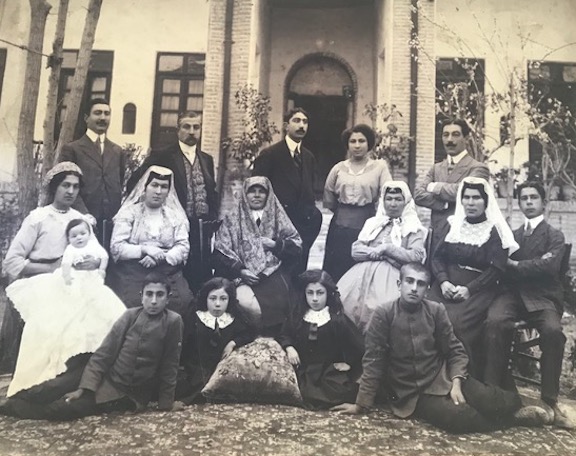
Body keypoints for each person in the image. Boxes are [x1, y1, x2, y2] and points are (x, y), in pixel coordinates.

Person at [332, 263, 548, 433]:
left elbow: (455, 350)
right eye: (409, 281)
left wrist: (456, 383)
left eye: (420, 283)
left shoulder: (435, 310)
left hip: (442, 376)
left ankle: (518, 407)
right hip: (413, 392)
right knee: (458, 418)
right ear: (399, 285)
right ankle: (511, 421)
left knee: (489, 400)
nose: (414, 288)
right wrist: (361, 405)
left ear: (427, 289)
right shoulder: (384, 314)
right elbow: (373, 361)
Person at [0, 273, 184, 420]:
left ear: (167, 299)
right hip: (100, 371)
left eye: (159, 295)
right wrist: (85, 387)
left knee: (64, 408)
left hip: (122, 391)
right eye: (149, 294)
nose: (153, 301)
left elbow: (170, 364)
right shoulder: (130, 316)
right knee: (51, 387)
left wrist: (166, 403)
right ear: (141, 297)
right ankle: (14, 399)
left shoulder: (173, 322)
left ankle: (14, 408)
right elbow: (104, 354)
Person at [484, 181, 574, 428]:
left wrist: (517, 266)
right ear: (520, 203)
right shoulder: (511, 235)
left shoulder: (554, 235)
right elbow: (503, 266)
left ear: (544, 203)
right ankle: (493, 393)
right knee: (495, 322)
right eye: (524, 198)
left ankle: (549, 399)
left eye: (534, 198)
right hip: (512, 295)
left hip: (543, 297)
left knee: (553, 332)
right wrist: (529, 265)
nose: (529, 202)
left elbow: (550, 267)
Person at [5, 218, 126, 398]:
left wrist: (100, 268)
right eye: (74, 236)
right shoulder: (62, 242)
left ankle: (99, 373)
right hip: (72, 282)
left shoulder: (91, 240)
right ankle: (57, 375)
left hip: (93, 281)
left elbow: (103, 257)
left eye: (82, 234)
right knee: (58, 322)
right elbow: (65, 266)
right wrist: (67, 275)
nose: (79, 238)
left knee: (106, 314)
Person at [0, 162, 97, 373]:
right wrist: (51, 268)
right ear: (54, 188)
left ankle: (66, 382)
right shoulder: (38, 218)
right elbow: (12, 261)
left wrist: (93, 262)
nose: (70, 191)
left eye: (75, 186)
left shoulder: (79, 221)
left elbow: (93, 255)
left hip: (73, 283)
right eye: (65, 185)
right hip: (40, 282)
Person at [428, 177, 519, 377]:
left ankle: (457, 377)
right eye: (466, 197)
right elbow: (437, 257)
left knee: (456, 322)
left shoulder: (495, 230)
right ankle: (426, 374)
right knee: (426, 315)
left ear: (486, 202)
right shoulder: (453, 225)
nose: (470, 202)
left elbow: (497, 269)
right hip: (447, 283)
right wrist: (443, 281)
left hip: (478, 288)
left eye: (476, 198)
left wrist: (470, 289)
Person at [127, 111, 219, 292]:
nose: (192, 131)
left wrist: (213, 218)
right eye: (186, 127)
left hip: (202, 229)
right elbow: (136, 183)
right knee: (176, 276)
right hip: (174, 228)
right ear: (178, 130)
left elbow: (211, 192)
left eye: (196, 127)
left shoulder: (207, 159)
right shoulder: (163, 155)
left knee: (201, 275)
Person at [213, 176, 302, 335]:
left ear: (268, 195)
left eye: (261, 192)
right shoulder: (232, 218)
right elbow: (221, 249)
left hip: (272, 271)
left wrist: (275, 245)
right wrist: (240, 270)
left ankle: (274, 339)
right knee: (243, 303)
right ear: (244, 194)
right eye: (251, 191)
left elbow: (296, 245)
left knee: (280, 301)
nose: (256, 195)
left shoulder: (278, 217)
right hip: (241, 275)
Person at [338, 181, 427, 333]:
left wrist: (387, 249)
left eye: (398, 199)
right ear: (383, 201)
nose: (393, 204)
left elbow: (416, 256)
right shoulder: (373, 223)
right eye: (389, 199)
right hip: (360, 275)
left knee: (381, 308)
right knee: (344, 301)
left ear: (405, 202)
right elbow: (356, 250)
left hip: (393, 276)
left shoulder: (413, 227)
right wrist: (380, 254)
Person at [108, 165, 193, 317]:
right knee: (133, 301)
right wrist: (145, 250)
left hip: (167, 270)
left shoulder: (175, 216)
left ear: (169, 191)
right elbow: (117, 247)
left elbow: (183, 246)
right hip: (134, 270)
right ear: (144, 187)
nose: (158, 191)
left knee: (183, 301)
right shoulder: (129, 213)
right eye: (154, 185)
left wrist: (162, 257)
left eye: (164, 187)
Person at [277, 270, 364, 410]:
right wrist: (289, 347)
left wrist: (348, 363)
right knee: (293, 389)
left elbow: (358, 346)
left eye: (320, 293)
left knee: (342, 391)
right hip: (304, 371)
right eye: (310, 293)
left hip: (329, 373)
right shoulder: (298, 316)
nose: (315, 298)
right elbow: (284, 334)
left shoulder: (337, 319)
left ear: (328, 293)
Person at [252, 108, 322, 274]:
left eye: (305, 122)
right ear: (285, 125)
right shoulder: (270, 154)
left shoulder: (308, 157)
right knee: (277, 276)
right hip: (277, 228)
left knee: (298, 272)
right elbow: (256, 191)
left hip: (301, 228)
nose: (301, 125)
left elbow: (309, 191)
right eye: (296, 121)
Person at [322, 124, 392, 281]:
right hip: (340, 225)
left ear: (369, 144)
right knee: (337, 267)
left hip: (367, 225)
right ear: (347, 144)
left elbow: (387, 193)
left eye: (362, 141)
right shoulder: (338, 168)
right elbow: (329, 195)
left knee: (360, 269)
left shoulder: (379, 167)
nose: (357, 145)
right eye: (353, 141)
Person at [413, 119, 490, 256]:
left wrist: (435, 186)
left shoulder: (478, 168)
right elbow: (418, 195)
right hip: (436, 236)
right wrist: (444, 204)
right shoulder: (436, 168)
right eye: (445, 135)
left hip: (463, 238)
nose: (449, 140)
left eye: (455, 134)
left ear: (466, 138)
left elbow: (463, 191)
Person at [59, 98, 126, 248]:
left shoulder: (118, 151)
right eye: (97, 113)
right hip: (81, 221)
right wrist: (83, 214)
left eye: (106, 114)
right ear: (86, 118)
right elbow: (65, 185)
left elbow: (119, 182)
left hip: (110, 221)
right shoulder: (72, 149)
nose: (103, 118)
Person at [177, 277, 254, 404]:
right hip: (196, 370)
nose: (217, 304)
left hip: (223, 370)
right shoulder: (195, 317)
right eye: (212, 298)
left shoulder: (234, 318)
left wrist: (232, 343)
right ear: (205, 299)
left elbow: (249, 333)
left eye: (223, 299)